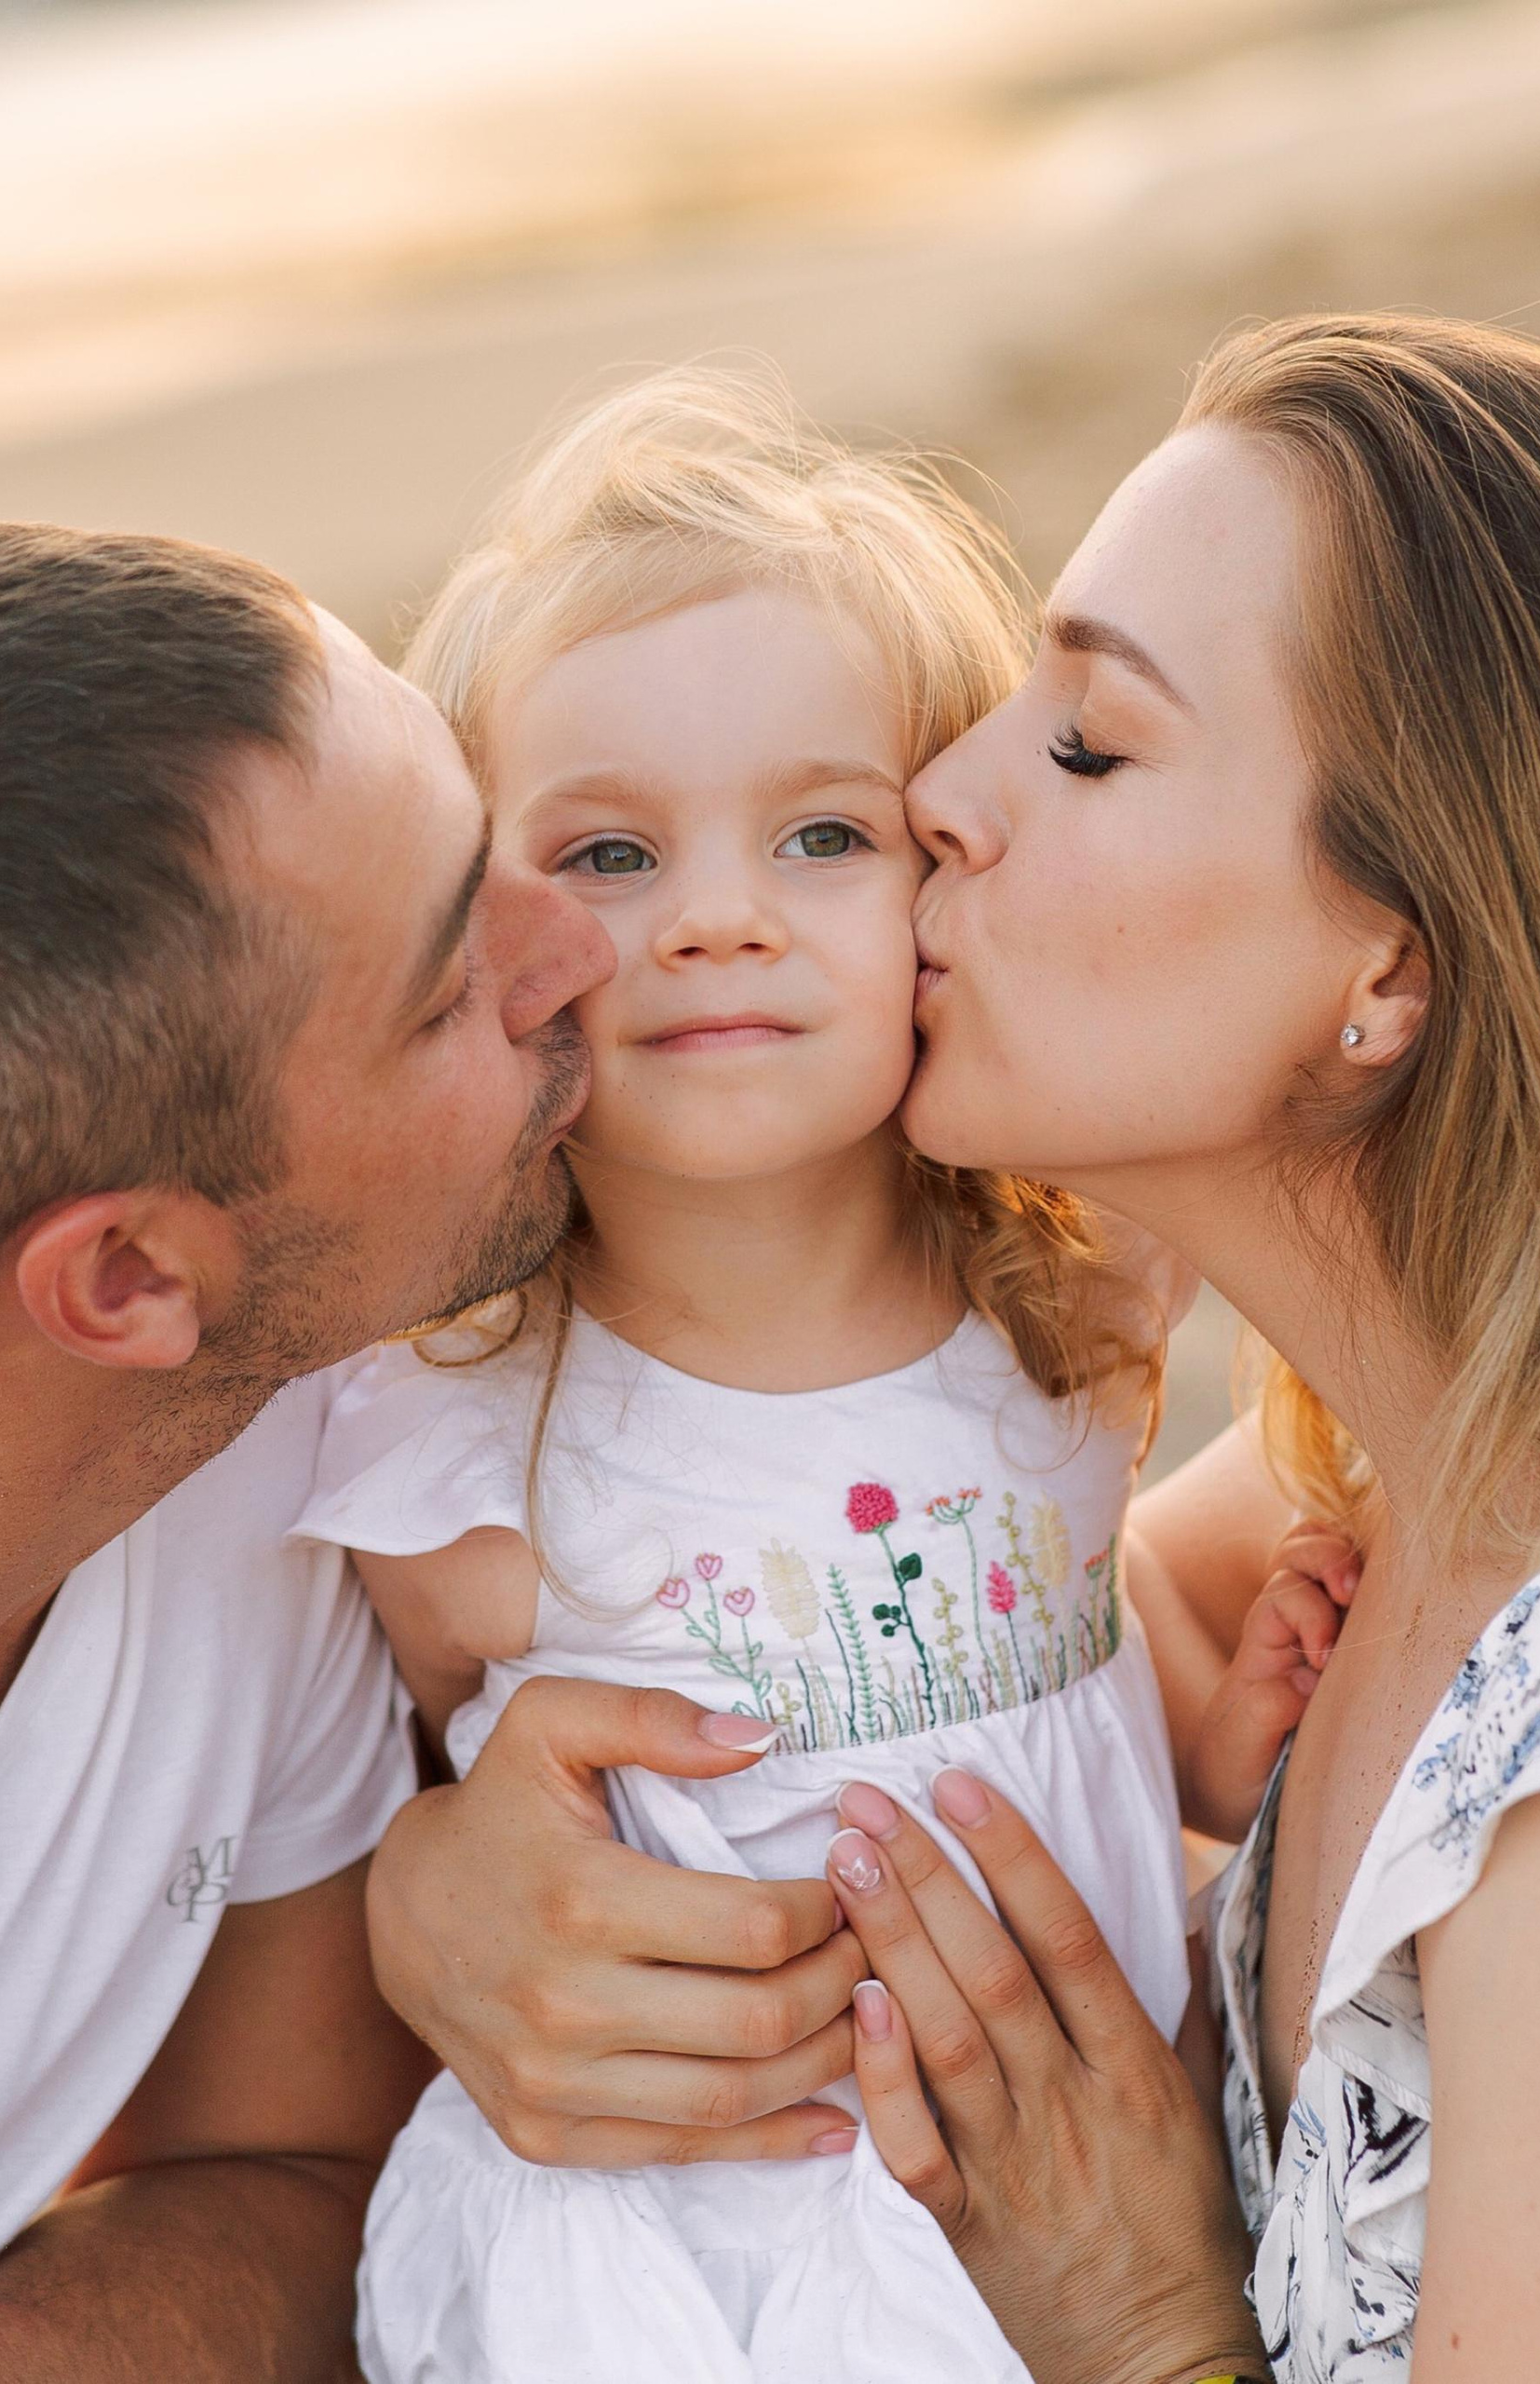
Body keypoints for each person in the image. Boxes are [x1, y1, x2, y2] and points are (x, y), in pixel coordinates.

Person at [367, 312, 1540, 2384]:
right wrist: (440, 1894)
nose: (938, 797)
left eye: (1083, 741)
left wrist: (1147, 2328)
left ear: (1386, 965)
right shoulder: (1396, 1482)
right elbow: (987, 1627)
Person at [294, 372, 1346, 2383]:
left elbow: (1029, 1663)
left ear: (949, 862)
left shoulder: (1082, 1300)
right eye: (605, 853)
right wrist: (423, 1889)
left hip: (1071, 2208)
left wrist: (1225, 1719)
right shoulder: (453, 1414)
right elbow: (427, 1807)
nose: (710, 918)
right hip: (684, 2248)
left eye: (819, 832)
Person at [0, 522, 629, 2382]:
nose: (576, 944)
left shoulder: (257, 1440)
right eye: (444, 984)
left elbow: (298, 2172)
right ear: (125, 1277)